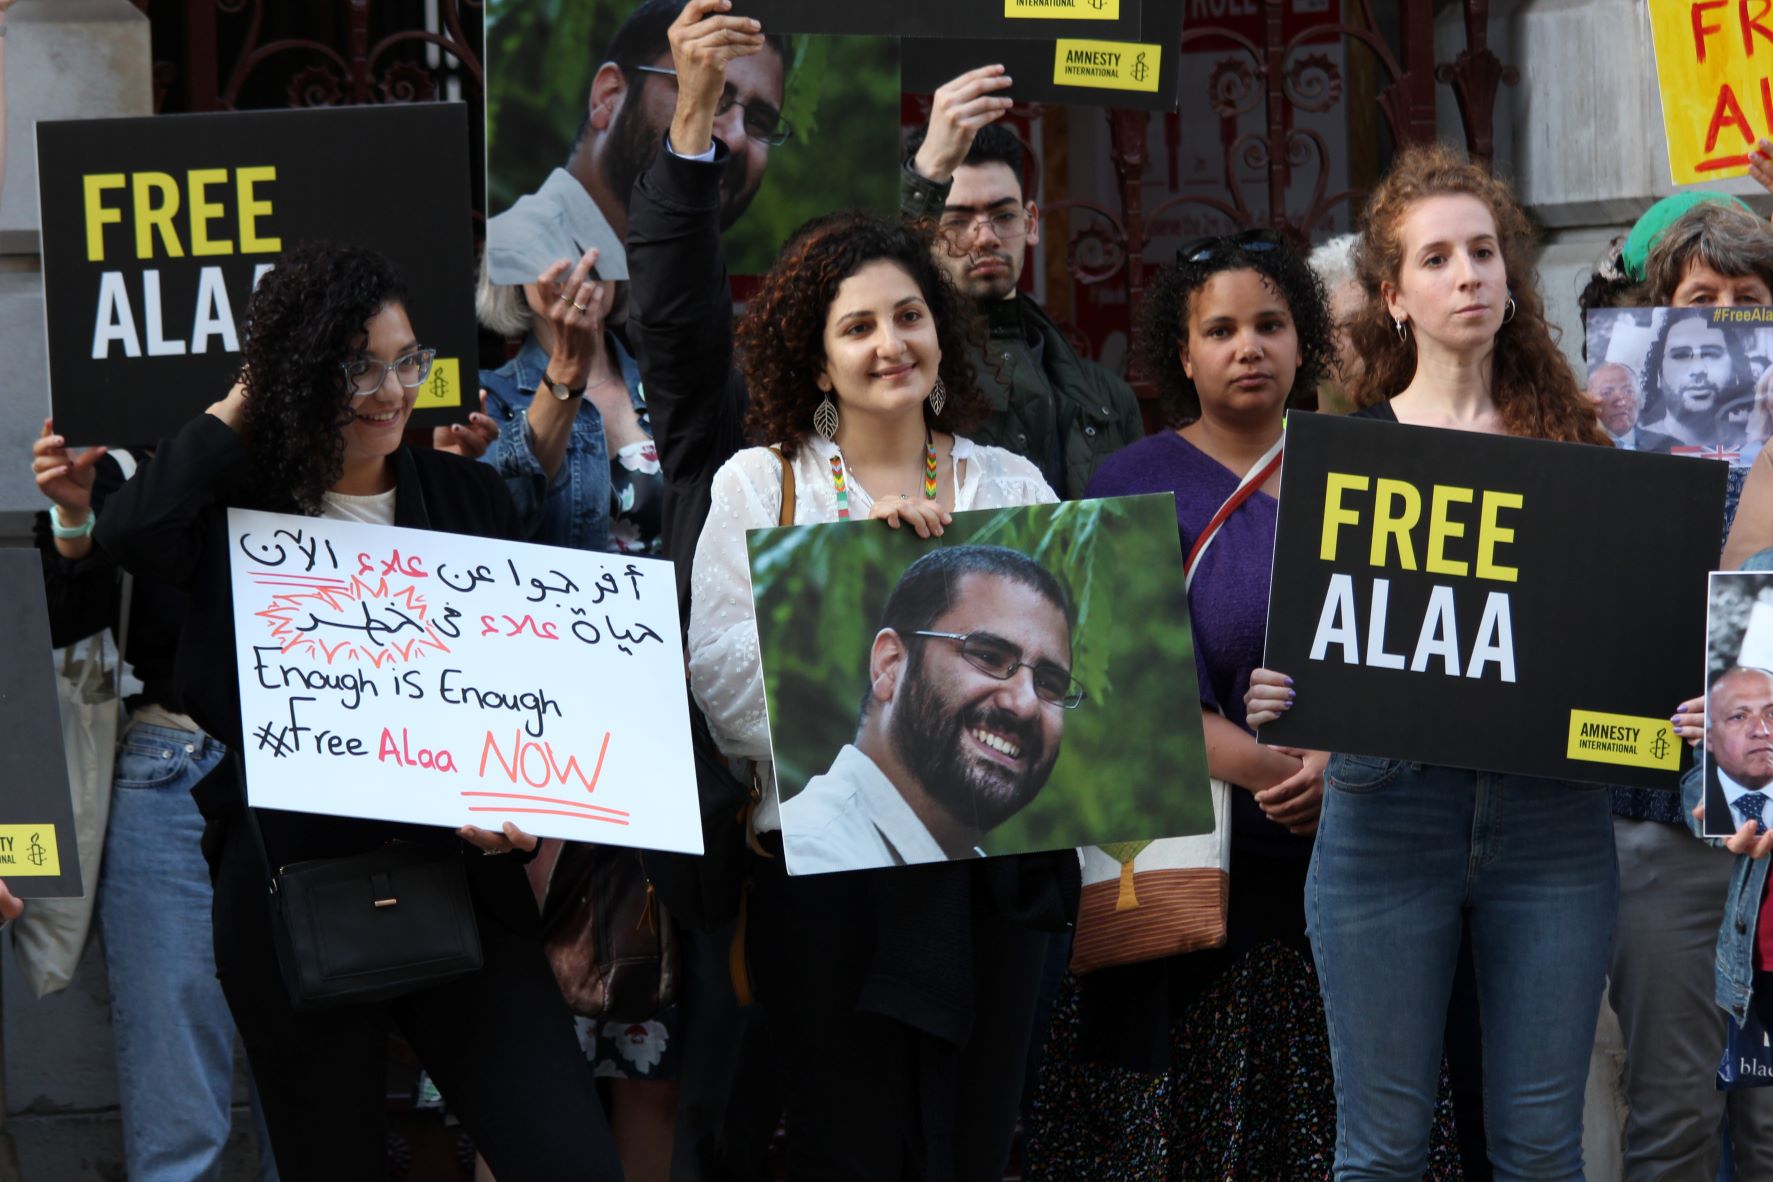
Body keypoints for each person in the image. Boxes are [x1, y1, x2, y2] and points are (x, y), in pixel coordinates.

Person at [94, 242, 621, 1181]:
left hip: (460, 885)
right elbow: (131, 529)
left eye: (406, 360)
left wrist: (518, 808)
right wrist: (256, 389)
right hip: (291, 892)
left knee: (567, 1155)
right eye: (356, 365)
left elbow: (517, 690)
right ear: (299, 373)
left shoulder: (462, 495)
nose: (391, 389)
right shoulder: (234, 512)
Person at [1246, 143, 1615, 1179]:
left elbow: (1610, 647)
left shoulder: (1579, 449)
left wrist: (1659, 702)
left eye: (1486, 252)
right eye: (1440, 257)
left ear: (1511, 276)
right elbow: (1327, 651)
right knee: (1382, 1150)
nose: (1469, 275)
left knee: (1543, 1146)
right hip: (1384, 820)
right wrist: (1290, 695)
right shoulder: (1346, 453)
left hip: (1553, 827)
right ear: (1394, 295)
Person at [685, 193, 1072, 1175]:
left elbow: (1076, 675)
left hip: (990, 892)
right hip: (825, 897)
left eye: (909, 316)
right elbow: (722, 688)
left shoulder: (1013, 488)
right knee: (850, 1152)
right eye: (857, 326)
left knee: (975, 1151)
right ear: (818, 362)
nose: (891, 343)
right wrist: (862, 573)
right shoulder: (759, 488)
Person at [31, 421, 279, 1182]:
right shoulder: (128, 453)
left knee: (317, 1108)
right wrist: (74, 523)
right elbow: (72, 635)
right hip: (172, 767)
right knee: (179, 1120)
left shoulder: (344, 437)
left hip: (312, 773)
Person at [900, 68, 1144, 497]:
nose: (986, 237)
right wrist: (927, 174)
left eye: (1003, 215)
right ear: (926, 231)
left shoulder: (1106, 396)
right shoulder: (901, 377)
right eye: (957, 220)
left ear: (1031, 223)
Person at [780, 545, 1080, 873]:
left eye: (1049, 683)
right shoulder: (809, 857)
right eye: (988, 657)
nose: (1025, 705)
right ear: (890, 665)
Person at [484, 0, 787, 282]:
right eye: (705, 94)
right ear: (608, 98)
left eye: (759, 122)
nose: (735, 139)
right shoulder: (514, 263)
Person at [1639, 306, 1757, 452]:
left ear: (1736, 369)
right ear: (1658, 374)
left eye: (1711, 354)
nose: (1698, 369)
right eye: (1681, 355)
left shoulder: (1756, 449)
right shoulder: (1636, 447)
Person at [1705, 667, 1773, 833]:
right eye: (1738, 717)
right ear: (1709, 738)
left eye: (1771, 714)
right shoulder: (1694, 795)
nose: (1761, 730)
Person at [1308, 231, 1364, 413]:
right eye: (1352, 326)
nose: (1374, 341)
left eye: (1385, 326)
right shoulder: (1291, 440)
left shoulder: (1426, 438)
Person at [1588, 359, 1675, 451]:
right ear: (1590, 400)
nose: (1622, 402)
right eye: (1607, 393)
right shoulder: (1579, 443)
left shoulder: (1669, 446)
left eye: (1628, 391)